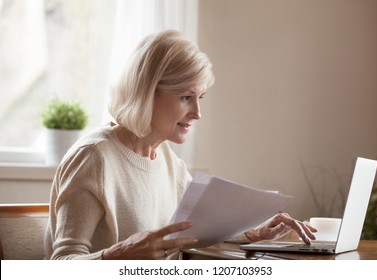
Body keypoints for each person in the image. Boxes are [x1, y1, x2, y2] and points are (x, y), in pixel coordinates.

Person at [44, 29, 316, 260]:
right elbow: (62, 263)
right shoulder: (93, 158)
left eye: (200, 97)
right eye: (186, 97)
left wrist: (252, 233)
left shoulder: (170, 163)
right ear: (147, 93)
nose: (198, 113)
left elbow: (194, 236)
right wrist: (117, 256)